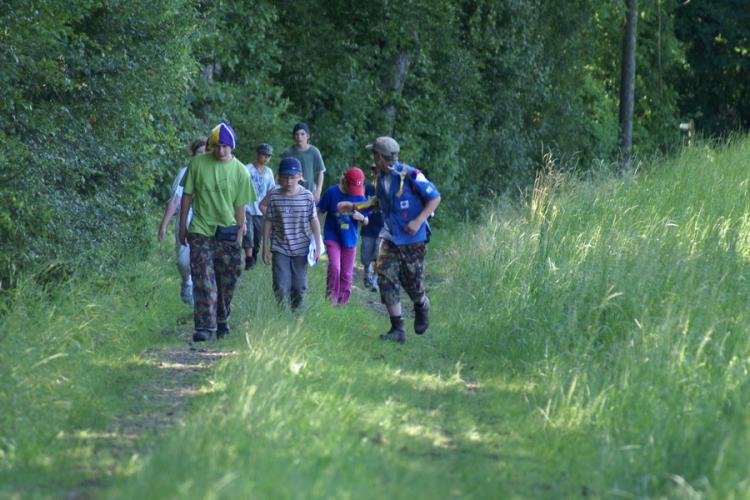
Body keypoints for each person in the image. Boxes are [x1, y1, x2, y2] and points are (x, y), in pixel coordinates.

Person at [338, 136, 441, 344]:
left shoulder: (411, 174)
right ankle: (398, 328)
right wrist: (355, 206)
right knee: (385, 276)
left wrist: (418, 220)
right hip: (390, 236)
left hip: (413, 237)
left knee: (411, 281)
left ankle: (421, 304)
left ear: (382, 157)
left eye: (375, 155)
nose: (373, 159)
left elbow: (435, 197)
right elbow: (380, 203)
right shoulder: (381, 177)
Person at [178, 123, 256, 342]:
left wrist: (240, 235)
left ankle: (222, 318)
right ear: (210, 146)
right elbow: (187, 196)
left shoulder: (240, 170)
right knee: (203, 278)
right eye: (216, 146)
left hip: (228, 231)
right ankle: (204, 326)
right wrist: (183, 226)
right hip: (201, 229)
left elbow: (241, 207)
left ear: (231, 147)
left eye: (225, 147)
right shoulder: (197, 164)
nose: (221, 151)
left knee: (227, 280)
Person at [262, 157, 322, 310]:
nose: (289, 181)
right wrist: (265, 248)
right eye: (285, 177)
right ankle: (282, 312)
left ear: (300, 177)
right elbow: (268, 221)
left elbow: (314, 221)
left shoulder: (307, 196)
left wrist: (318, 246)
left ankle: (298, 313)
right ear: (279, 177)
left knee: (299, 286)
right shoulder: (275, 196)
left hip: (301, 248)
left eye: (293, 177)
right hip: (280, 246)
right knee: (281, 285)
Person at [157, 136, 207, 305]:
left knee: (203, 257)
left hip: (206, 216)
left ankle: (200, 292)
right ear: (193, 155)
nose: (202, 155)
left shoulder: (214, 172)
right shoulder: (184, 173)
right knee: (183, 260)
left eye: (205, 152)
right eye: (199, 152)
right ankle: (187, 280)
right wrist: (163, 225)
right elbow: (175, 200)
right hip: (187, 214)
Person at [317, 167, 368, 305]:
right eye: (351, 187)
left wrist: (362, 218)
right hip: (332, 236)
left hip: (350, 239)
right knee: (335, 268)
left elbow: (367, 219)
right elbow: (320, 212)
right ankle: (331, 300)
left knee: (346, 273)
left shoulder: (360, 196)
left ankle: (342, 302)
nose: (354, 192)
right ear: (344, 181)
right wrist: (316, 233)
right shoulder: (332, 192)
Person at [243, 143, 276, 270]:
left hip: (261, 209)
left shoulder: (269, 172)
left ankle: (253, 255)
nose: (266, 158)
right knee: (249, 234)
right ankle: (248, 259)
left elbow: (271, 189)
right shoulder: (247, 169)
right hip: (248, 207)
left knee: (257, 238)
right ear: (258, 154)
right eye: (264, 155)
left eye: (269, 156)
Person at [281, 122, 326, 203]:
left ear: (308, 136)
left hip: (309, 193)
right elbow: (281, 173)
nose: (299, 137)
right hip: (290, 193)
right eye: (297, 134)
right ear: (294, 137)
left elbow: (320, 172)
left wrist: (318, 191)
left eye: (302, 134)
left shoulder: (314, 151)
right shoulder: (287, 152)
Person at [359, 164, 384, 291]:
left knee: (379, 255)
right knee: (366, 256)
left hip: (383, 228)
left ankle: (375, 280)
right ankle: (367, 273)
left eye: (379, 171)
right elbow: (360, 204)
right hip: (368, 227)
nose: (377, 173)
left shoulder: (388, 189)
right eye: (374, 171)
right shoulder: (367, 188)